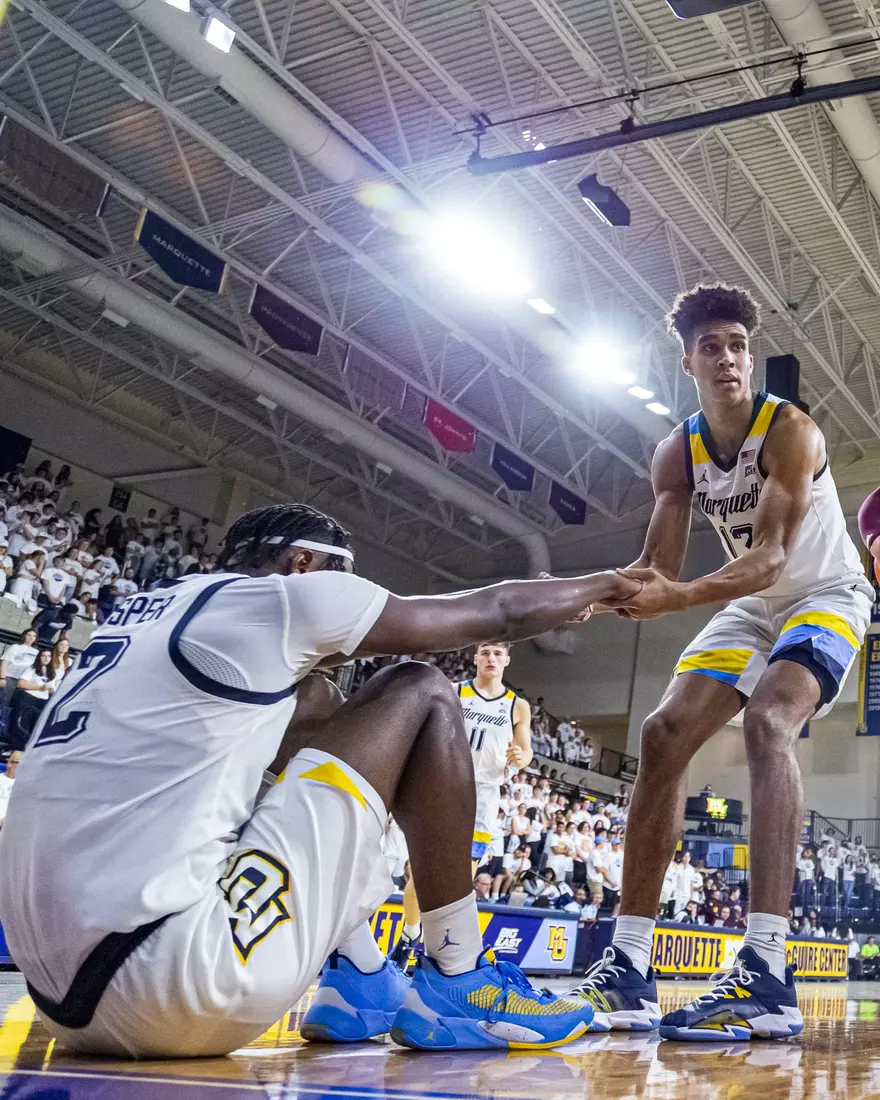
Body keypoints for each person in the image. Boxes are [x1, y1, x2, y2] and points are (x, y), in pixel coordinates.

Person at [0, 502, 640, 1057]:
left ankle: (356, 969)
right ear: (304, 565)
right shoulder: (284, 598)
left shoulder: (148, 608)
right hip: (176, 981)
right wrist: (607, 585)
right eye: (347, 577)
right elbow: (494, 611)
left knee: (311, 701)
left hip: (60, 998)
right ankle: (460, 975)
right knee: (418, 688)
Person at [572, 283, 872, 1040]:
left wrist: (674, 599)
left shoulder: (791, 431)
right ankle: (629, 967)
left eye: (739, 345)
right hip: (753, 605)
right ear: (689, 362)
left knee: (772, 720)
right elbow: (657, 564)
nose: (730, 357)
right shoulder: (676, 452)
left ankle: (766, 971)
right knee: (663, 734)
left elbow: (770, 557)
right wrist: (590, 595)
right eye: (713, 347)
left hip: (825, 594)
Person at [395, 640, 532, 961]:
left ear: (507, 661)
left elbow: (526, 751)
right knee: (419, 876)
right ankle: (408, 939)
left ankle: (439, 952)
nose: (491, 658)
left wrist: (520, 756)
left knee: (458, 882)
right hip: (442, 785)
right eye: (485, 652)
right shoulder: (453, 691)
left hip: (483, 796)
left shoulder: (517, 705)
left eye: (498, 653)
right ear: (475, 658)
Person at [0, 629, 38, 705]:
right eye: (29, 635)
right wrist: (2, 678)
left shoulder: (37, 652)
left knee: (13, 704)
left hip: (24, 681)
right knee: (4, 701)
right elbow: (4, 662)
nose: (31, 638)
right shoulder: (16, 647)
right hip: (10, 678)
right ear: (24, 636)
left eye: (34, 636)